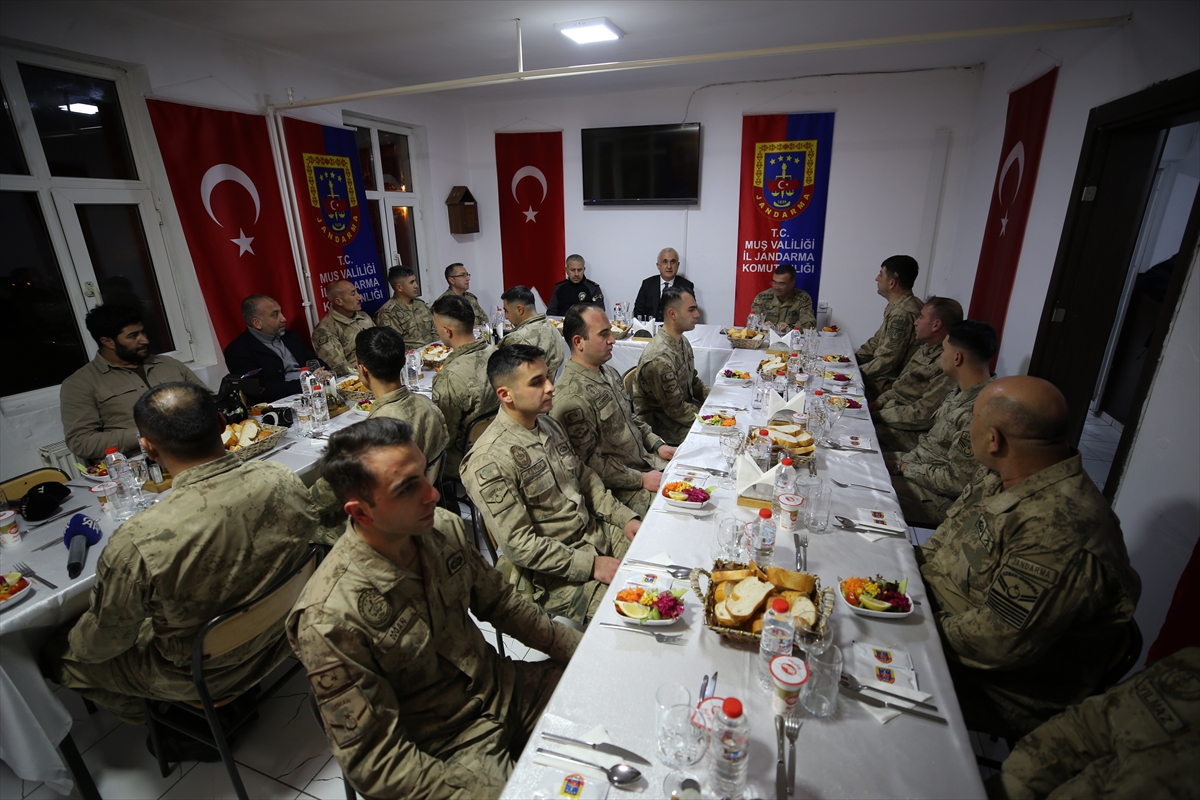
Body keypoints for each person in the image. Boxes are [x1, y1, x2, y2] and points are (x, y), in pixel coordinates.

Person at [287, 418, 582, 798]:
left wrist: (581, 650)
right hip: (444, 746)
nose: (432, 494)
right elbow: (376, 762)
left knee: (612, 694)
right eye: (407, 488)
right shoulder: (329, 617)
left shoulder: (442, 529)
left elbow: (502, 603)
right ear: (360, 513)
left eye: (424, 474)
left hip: (504, 689)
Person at [43, 383, 317, 748]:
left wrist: (73, 634)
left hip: (209, 673)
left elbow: (103, 644)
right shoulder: (281, 478)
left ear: (147, 448)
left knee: (56, 653)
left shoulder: (138, 539)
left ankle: (168, 720)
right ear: (221, 422)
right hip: (285, 631)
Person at [917, 376, 1141, 738]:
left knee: (842, 659)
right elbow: (947, 536)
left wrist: (913, 626)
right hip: (940, 614)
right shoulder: (1006, 472)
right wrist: (902, 575)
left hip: (1000, 685)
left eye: (973, 419)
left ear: (993, 438)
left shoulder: (1058, 528)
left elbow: (998, 642)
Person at [462, 345, 641, 625]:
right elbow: (520, 545)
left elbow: (585, 479)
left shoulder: (548, 425)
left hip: (593, 533)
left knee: (655, 567)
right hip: (550, 573)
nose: (550, 387)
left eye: (548, 376)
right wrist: (591, 565)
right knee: (633, 614)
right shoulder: (488, 460)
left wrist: (624, 518)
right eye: (537, 382)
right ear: (506, 395)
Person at [987, 646, 1199, 800]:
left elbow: (1002, 644)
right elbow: (1079, 731)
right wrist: (1010, 789)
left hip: (1026, 688)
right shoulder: (1190, 668)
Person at [310, 327, 448, 544]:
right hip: (422, 498)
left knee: (305, 522)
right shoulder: (428, 405)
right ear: (404, 362)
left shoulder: (374, 435)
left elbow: (327, 494)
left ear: (362, 371)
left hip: (388, 519)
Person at [550, 304, 677, 516]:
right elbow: (588, 465)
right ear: (579, 342)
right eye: (603, 334)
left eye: (610, 332)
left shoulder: (607, 371)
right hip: (621, 489)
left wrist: (657, 444)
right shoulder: (570, 399)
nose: (612, 340)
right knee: (681, 514)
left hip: (647, 461)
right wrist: (640, 479)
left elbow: (630, 417)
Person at [885, 320, 997, 528]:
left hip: (935, 497)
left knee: (859, 487)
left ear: (957, 357)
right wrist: (903, 464)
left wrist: (903, 467)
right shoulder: (960, 390)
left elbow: (956, 481)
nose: (940, 357)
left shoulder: (978, 410)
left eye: (944, 350)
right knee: (851, 461)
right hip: (917, 464)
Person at [60, 303, 204, 462]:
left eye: (143, 332)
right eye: (133, 336)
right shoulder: (80, 383)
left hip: (198, 450)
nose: (145, 340)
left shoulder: (168, 364)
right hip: (142, 465)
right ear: (108, 342)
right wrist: (146, 433)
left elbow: (208, 400)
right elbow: (81, 442)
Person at [872, 296, 964, 453]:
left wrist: (879, 415)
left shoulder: (945, 363)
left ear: (936, 325)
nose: (916, 322)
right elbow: (899, 385)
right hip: (892, 412)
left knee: (855, 436)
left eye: (921, 317)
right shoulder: (926, 348)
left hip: (909, 431)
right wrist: (880, 401)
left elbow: (923, 414)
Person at [431, 294, 498, 480]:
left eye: (437, 327)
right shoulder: (495, 353)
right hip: (497, 440)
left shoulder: (449, 377)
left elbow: (445, 438)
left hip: (465, 456)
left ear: (447, 331)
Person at [632, 287, 709, 446]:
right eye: (691, 310)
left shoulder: (681, 341)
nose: (697, 314)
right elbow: (676, 409)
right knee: (717, 439)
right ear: (673, 314)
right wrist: (710, 417)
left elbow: (693, 381)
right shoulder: (659, 359)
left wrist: (713, 399)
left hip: (680, 415)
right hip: (663, 427)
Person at [223, 294, 323, 404]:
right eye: (275, 315)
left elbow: (315, 362)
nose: (283, 318)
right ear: (257, 323)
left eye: (281, 312)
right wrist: (307, 383)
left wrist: (324, 374)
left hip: (315, 394)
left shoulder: (291, 337)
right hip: (279, 405)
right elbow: (260, 391)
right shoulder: (238, 350)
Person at [856, 255, 925, 399]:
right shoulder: (902, 305)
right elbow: (877, 341)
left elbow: (887, 359)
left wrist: (854, 375)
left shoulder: (903, 313)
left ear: (892, 283)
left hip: (893, 385)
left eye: (881, 274)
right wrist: (849, 361)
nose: (877, 279)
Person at [312, 280, 374, 376]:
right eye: (353, 294)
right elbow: (340, 368)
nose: (359, 297)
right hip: (359, 376)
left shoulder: (364, 316)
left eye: (357, 292)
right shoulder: (325, 330)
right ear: (339, 301)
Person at [501, 285, 564, 377]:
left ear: (520, 310)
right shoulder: (554, 330)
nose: (506, 316)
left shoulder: (517, 339)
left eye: (506, 311)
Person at [374, 266, 438, 349]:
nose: (416, 286)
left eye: (415, 281)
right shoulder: (388, 313)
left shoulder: (420, 304)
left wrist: (436, 347)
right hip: (411, 355)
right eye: (411, 282)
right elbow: (394, 345)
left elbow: (435, 329)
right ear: (399, 287)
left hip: (434, 350)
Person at [633, 247, 695, 322]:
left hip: (675, 327)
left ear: (678, 265)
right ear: (658, 265)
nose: (669, 266)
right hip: (650, 326)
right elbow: (638, 311)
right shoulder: (647, 284)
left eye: (672, 262)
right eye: (665, 262)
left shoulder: (686, 286)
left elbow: (691, 313)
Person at [749, 263, 816, 331]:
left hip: (792, 337)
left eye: (781, 284)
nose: (776, 287)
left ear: (792, 284)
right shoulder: (762, 297)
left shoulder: (803, 298)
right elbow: (751, 322)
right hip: (767, 336)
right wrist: (762, 325)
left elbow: (809, 324)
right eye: (774, 282)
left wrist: (789, 328)